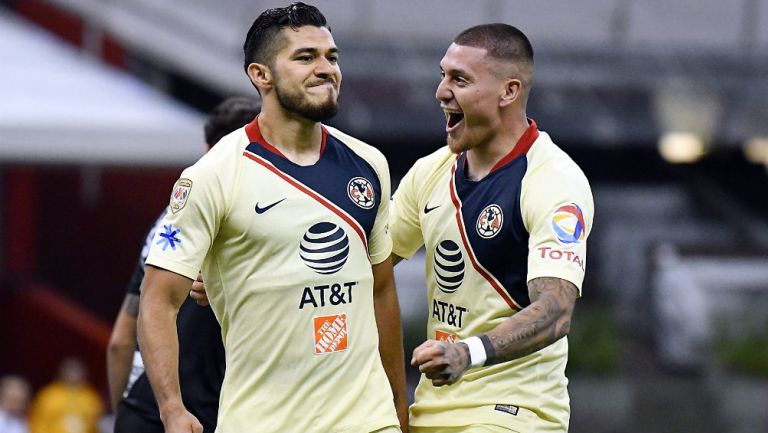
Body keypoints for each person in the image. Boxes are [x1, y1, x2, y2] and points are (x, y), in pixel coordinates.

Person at [138, 3, 407, 433]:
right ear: (260, 75)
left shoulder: (369, 164)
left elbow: (381, 290)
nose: (326, 69)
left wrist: (399, 411)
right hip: (262, 422)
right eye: (305, 57)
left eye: (331, 57)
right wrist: (172, 409)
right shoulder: (212, 175)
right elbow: (157, 301)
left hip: (366, 421)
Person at [389, 24, 594, 432]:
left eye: (459, 80)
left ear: (509, 92)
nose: (441, 91)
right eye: (443, 75)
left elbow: (555, 311)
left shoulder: (553, 180)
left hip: (513, 413)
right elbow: (368, 269)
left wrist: (469, 352)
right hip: (430, 410)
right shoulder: (429, 173)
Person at [106, 96, 261, 433]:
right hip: (223, 416)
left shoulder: (168, 220)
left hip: (150, 411)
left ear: (207, 149)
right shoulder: (277, 218)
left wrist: (126, 413)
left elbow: (121, 339)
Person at [28, 357, 103, 433]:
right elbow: (39, 422)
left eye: (76, 371)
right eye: (70, 371)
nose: (73, 374)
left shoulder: (91, 396)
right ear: (62, 372)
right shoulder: (48, 395)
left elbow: (96, 424)